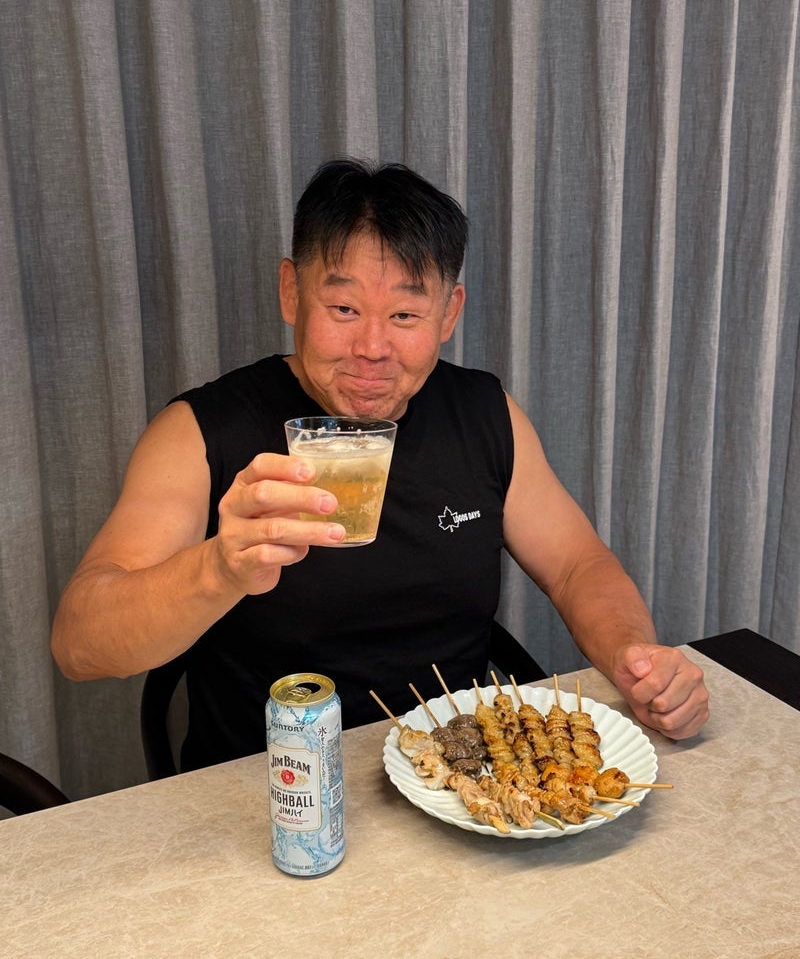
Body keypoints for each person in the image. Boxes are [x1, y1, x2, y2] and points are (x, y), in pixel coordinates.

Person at [52, 159, 709, 770]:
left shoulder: (484, 413)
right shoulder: (201, 430)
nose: (372, 347)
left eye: (405, 314)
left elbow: (576, 564)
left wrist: (636, 658)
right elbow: (80, 643)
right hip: (277, 793)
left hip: (460, 782)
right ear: (291, 293)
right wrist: (218, 567)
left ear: (449, 313)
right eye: (343, 309)